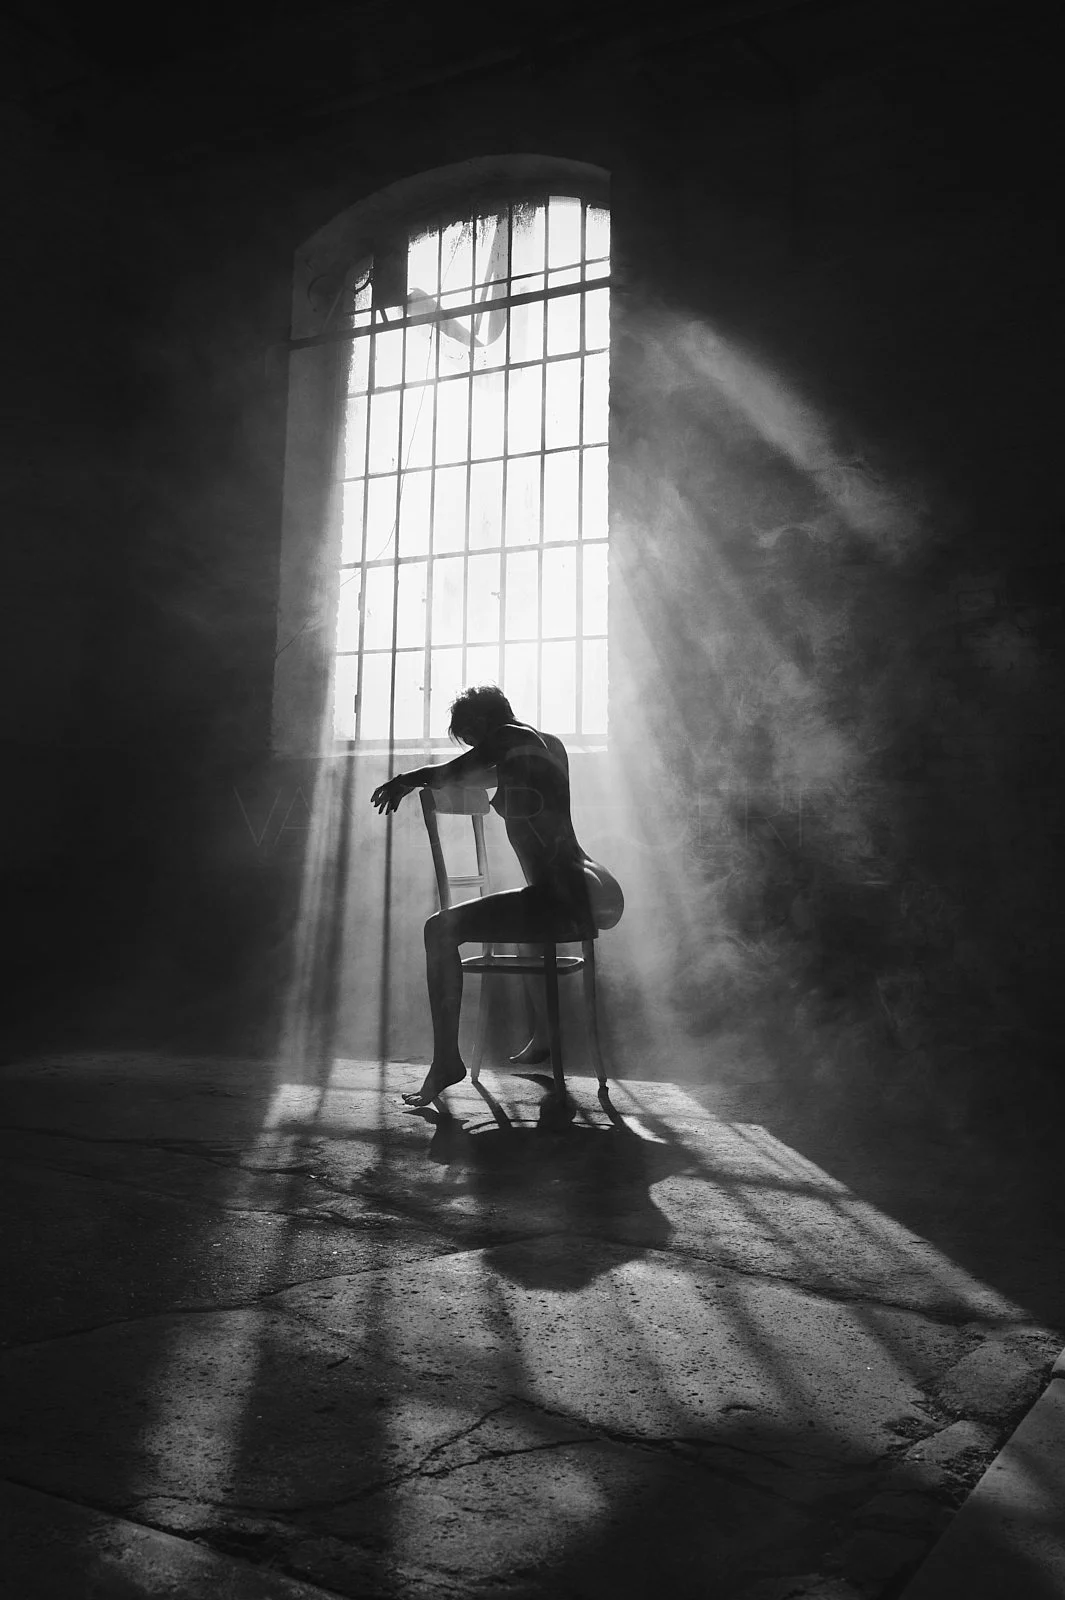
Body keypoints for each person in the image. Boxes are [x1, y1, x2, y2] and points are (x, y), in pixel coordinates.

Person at [370, 685, 623, 1107]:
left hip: (560, 893)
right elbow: (479, 774)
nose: (473, 746)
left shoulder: (507, 736)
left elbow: (458, 770)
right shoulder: (547, 745)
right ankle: (543, 1033)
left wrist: (406, 780)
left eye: (471, 737)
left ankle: (447, 1061)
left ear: (482, 723)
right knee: (515, 920)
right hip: (592, 885)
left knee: (438, 929)